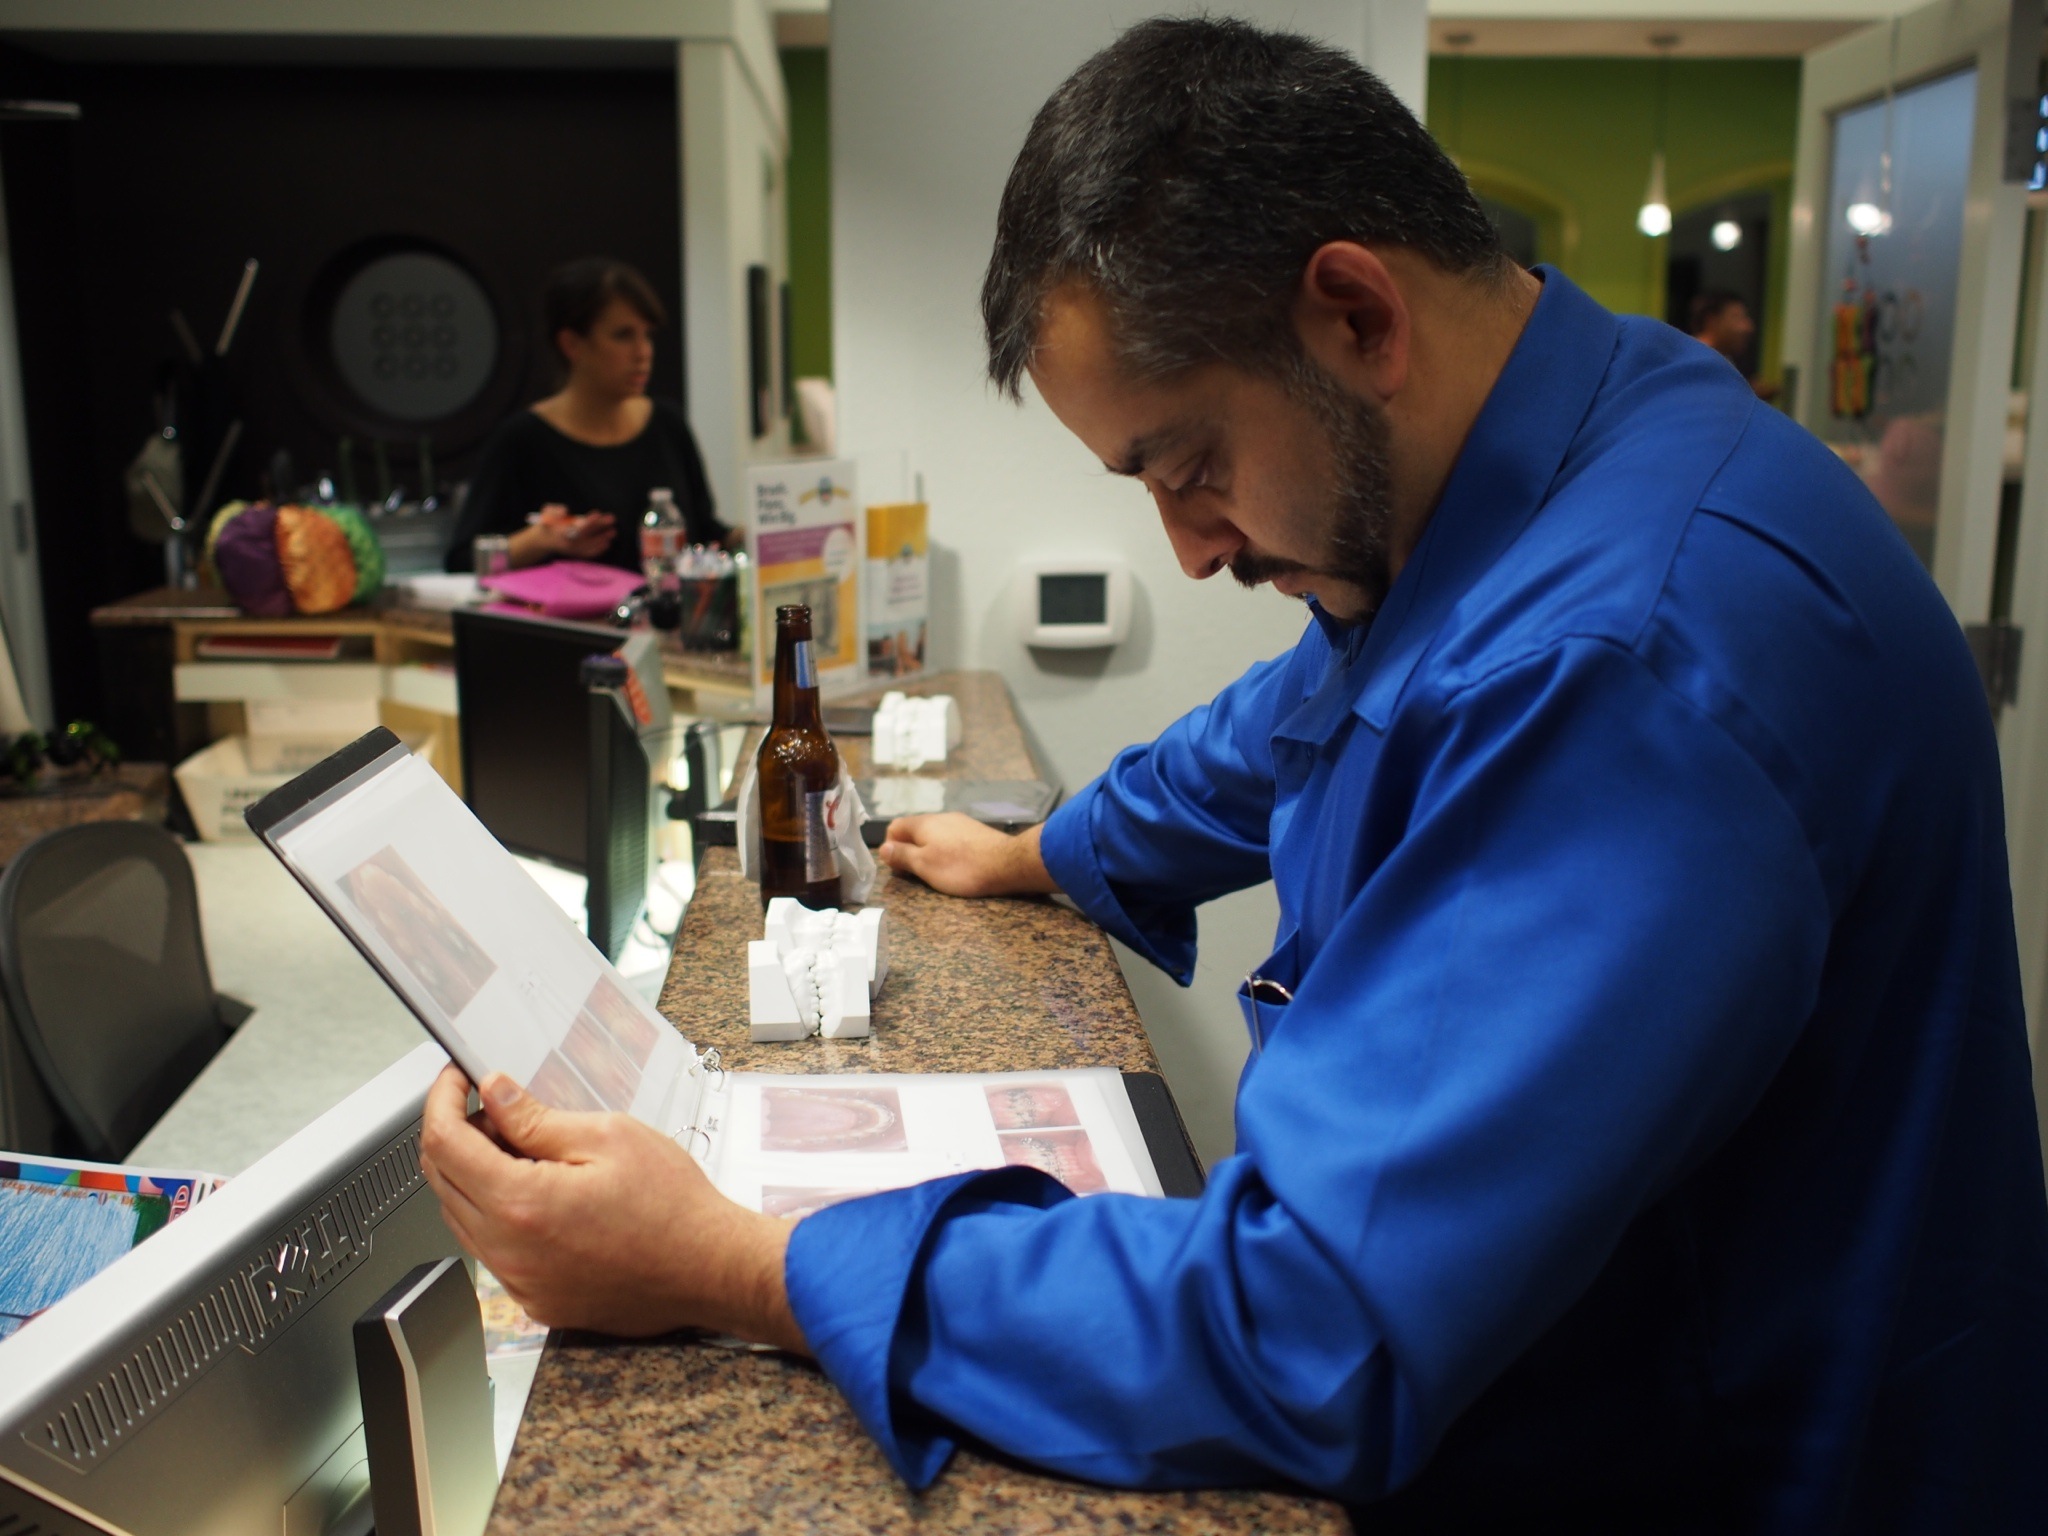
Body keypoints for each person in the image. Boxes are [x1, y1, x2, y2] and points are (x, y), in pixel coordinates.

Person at [419, 19, 2048, 1529]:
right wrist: (1048, 842)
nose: (1189, 547)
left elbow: (1306, 1330)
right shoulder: (1546, 456)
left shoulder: (1625, 661)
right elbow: (1302, 715)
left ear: (1353, 311)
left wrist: (740, 1262)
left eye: (1187, 464)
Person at [445, 257, 728, 571]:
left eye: (647, 335)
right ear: (572, 344)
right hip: (568, 619)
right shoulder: (522, 441)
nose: (643, 352)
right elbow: (463, 560)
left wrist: (756, 535)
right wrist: (539, 540)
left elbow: (705, 533)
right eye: (623, 335)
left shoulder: (668, 424)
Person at [1690, 288, 1777, 401]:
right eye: (1738, 318)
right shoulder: (1694, 362)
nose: (1748, 327)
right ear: (1712, 321)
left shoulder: (1724, 359)